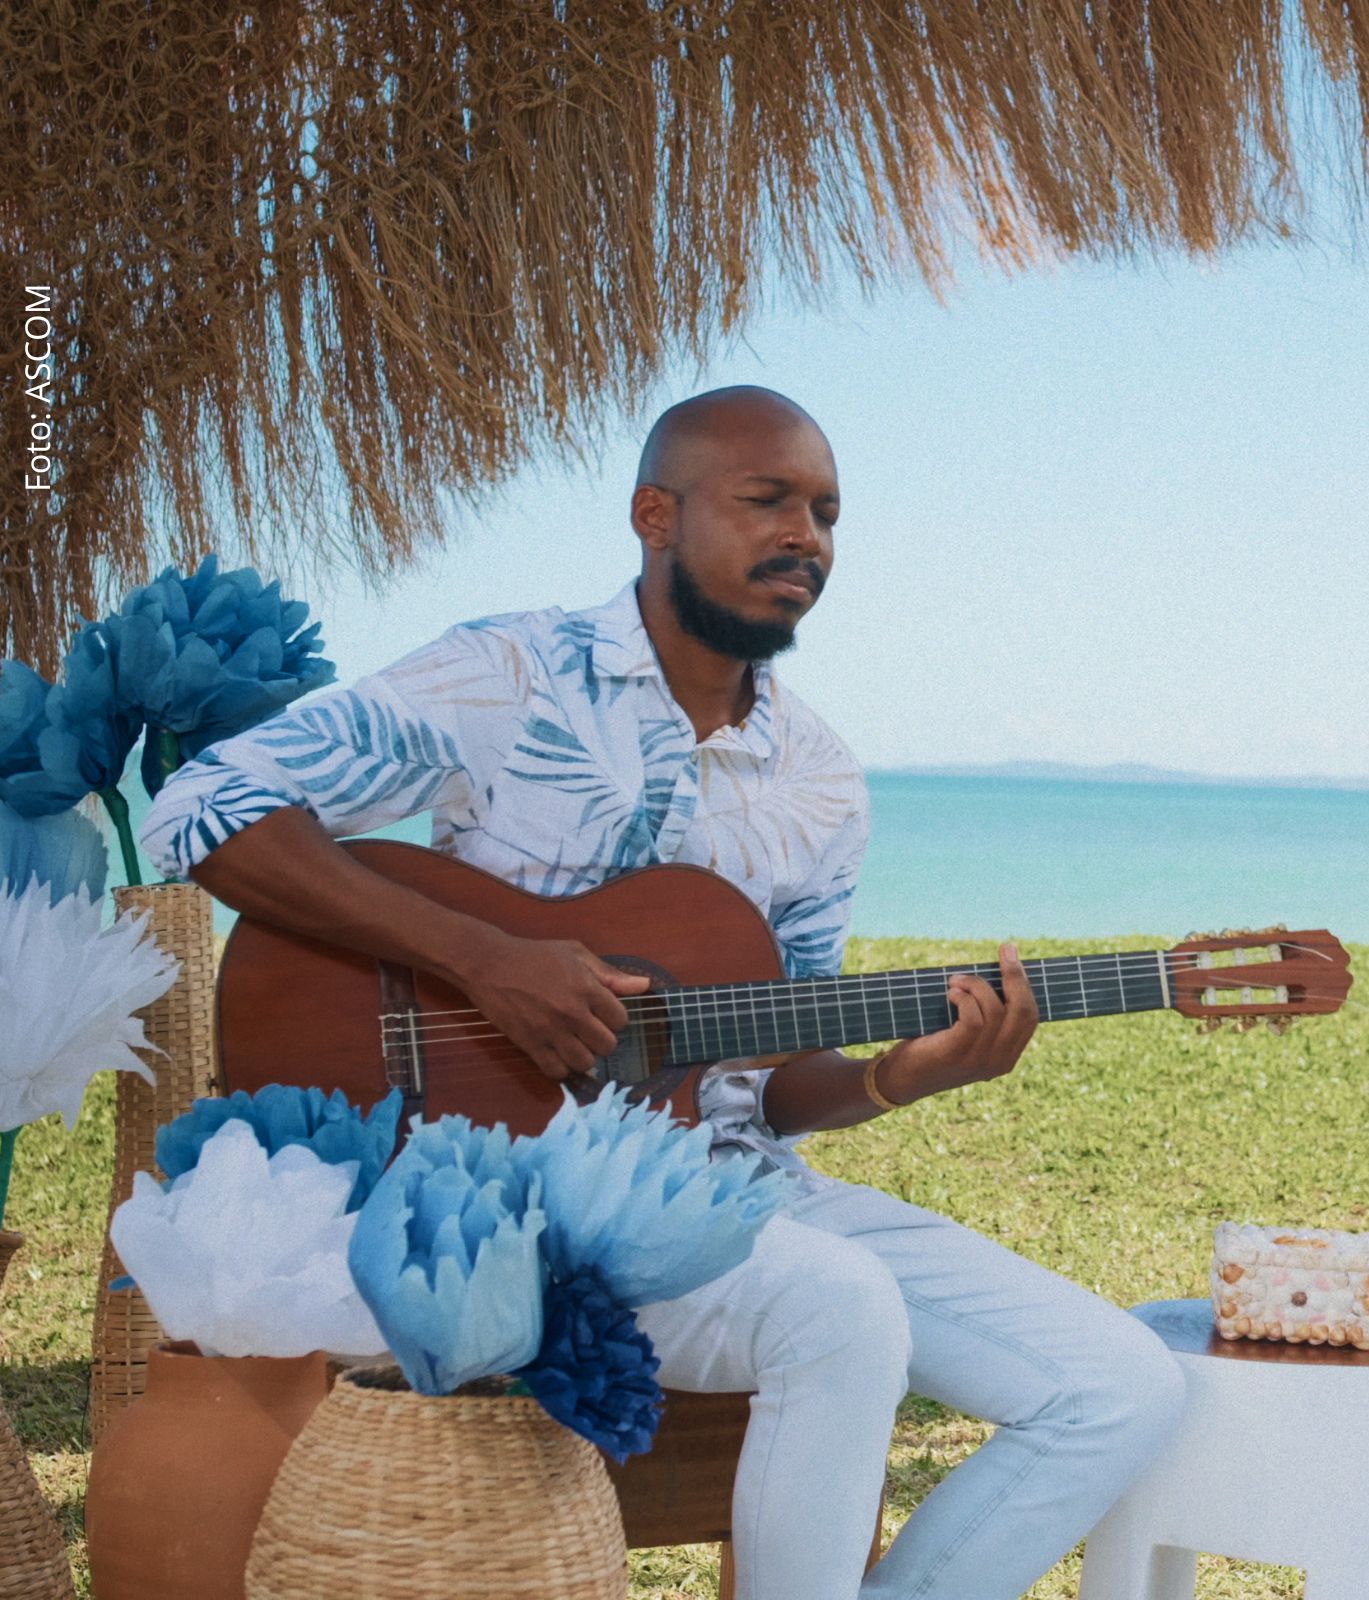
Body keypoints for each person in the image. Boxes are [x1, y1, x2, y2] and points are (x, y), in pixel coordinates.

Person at [141, 385, 1187, 1600]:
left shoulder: (822, 781)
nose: (808, 536)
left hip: (728, 1196)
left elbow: (757, 1083)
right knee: (838, 1305)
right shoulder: (509, 675)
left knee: (1118, 1385)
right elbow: (202, 811)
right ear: (655, 513)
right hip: (494, 1205)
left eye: (829, 513)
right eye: (769, 500)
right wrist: (484, 959)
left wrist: (904, 1074)